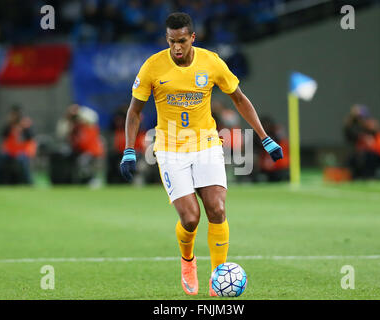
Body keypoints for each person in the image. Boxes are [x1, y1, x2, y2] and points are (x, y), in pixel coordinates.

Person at [119, 12, 282, 297]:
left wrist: (264, 137)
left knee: (217, 209)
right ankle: (187, 261)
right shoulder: (152, 67)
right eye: (171, 41)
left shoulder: (212, 62)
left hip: (206, 144)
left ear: (192, 37)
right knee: (191, 218)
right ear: (166, 39)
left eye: (182, 41)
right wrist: (129, 149)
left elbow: (239, 100)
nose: (177, 48)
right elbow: (134, 111)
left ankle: (218, 279)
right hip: (170, 149)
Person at [0, 106, 36, 185]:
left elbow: (30, 137)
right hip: (10, 152)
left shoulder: (25, 124)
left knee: (23, 162)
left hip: (23, 152)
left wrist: (22, 129)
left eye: (13, 115)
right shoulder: (9, 126)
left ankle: (29, 182)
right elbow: (3, 135)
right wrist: (10, 125)